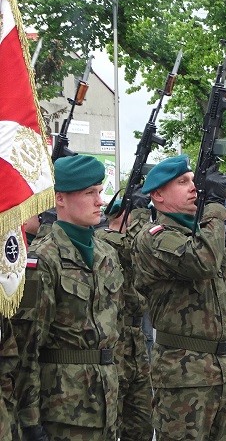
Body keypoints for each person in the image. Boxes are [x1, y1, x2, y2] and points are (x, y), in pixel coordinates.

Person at [133, 155, 226, 440]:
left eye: (194, 180)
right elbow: (202, 263)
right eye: (182, 182)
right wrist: (214, 206)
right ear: (158, 195)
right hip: (185, 375)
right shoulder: (154, 237)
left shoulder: (209, 234)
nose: (194, 187)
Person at [13, 154, 123, 441]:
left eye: (99, 191)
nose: (100, 201)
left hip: (107, 405)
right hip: (62, 411)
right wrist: (30, 421)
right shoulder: (43, 259)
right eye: (89, 193)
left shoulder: (107, 254)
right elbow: (27, 347)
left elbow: (116, 332)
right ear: (60, 198)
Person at [95, 201, 153, 441]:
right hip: (116, 338)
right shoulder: (104, 239)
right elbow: (131, 248)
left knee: (142, 421)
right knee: (113, 416)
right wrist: (139, 213)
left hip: (136, 337)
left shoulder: (129, 239)